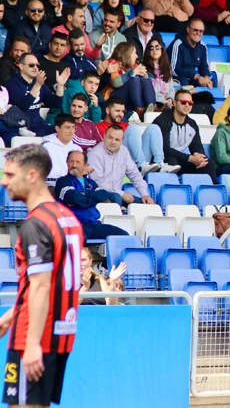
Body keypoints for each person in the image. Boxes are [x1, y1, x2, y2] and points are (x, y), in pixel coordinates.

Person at [0, 144, 83, 408]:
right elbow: (56, 280)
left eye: (10, 175)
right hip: (61, 335)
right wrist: (10, 316)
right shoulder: (67, 217)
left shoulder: (35, 224)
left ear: (32, 175)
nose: (3, 182)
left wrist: (32, 343)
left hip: (35, 337)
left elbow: (41, 286)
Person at [54, 150, 129, 241]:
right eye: (71, 161)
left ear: (85, 165)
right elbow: (76, 199)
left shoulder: (91, 183)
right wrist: (90, 198)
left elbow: (103, 195)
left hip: (94, 224)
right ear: (67, 163)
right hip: (73, 225)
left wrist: (84, 196)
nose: (74, 165)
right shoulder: (62, 181)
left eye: (78, 162)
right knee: (77, 240)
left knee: (124, 236)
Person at [152, 89, 217, 179]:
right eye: (183, 102)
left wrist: (200, 158)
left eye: (190, 103)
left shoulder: (192, 124)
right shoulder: (163, 120)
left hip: (180, 160)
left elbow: (197, 147)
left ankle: (213, 189)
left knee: (208, 163)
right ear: (174, 103)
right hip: (161, 160)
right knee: (172, 160)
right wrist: (189, 158)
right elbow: (164, 148)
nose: (187, 105)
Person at [88, 124, 153, 206]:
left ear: (122, 141)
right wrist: (122, 194)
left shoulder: (124, 151)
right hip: (99, 194)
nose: (113, 142)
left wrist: (145, 194)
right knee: (116, 198)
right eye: (110, 138)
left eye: (117, 139)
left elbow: (135, 175)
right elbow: (98, 184)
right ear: (104, 136)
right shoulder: (94, 154)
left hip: (118, 195)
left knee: (146, 204)